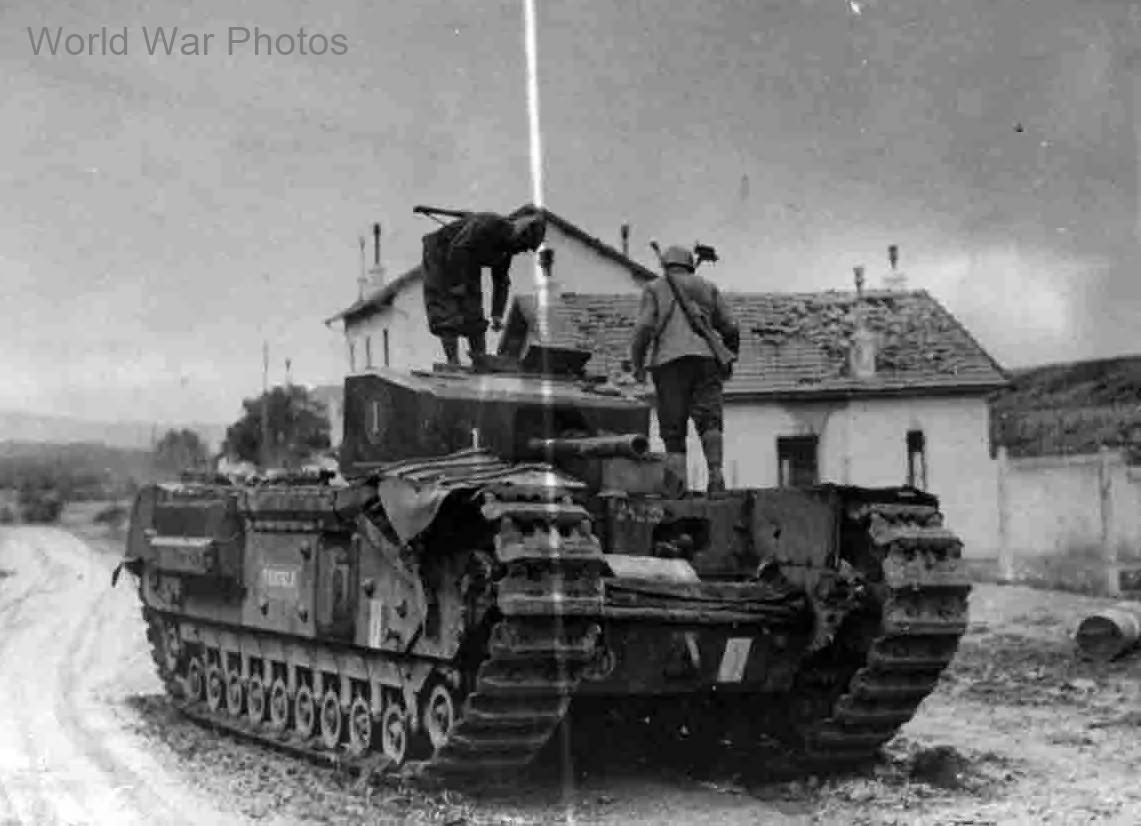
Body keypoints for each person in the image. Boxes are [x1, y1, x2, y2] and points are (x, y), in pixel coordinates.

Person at [629, 245, 740, 494]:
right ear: (690, 265)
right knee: (710, 421)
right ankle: (716, 477)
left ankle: (677, 485)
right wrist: (730, 357)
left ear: (666, 265)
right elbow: (731, 328)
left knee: (673, 428)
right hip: (707, 361)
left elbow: (644, 328)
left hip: (669, 364)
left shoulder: (654, 288)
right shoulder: (707, 287)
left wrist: (637, 363)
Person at [421, 205, 547, 365]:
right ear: (519, 231)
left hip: (466, 260)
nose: (521, 251)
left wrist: (497, 314)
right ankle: (453, 362)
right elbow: (457, 248)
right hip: (440, 253)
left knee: (474, 311)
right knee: (446, 309)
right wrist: (458, 285)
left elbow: (501, 280)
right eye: (523, 245)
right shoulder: (489, 224)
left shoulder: (506, 249)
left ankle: (480, 360)